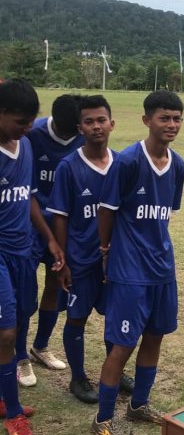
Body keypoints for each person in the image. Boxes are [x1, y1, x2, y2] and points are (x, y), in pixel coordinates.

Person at [92, 90, 184, 435]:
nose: (171, 124)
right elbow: (107, 211)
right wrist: (106, 251)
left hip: (162, 268)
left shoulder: (178, 165)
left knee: (155, 336)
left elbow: (164, 214)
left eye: (177, 118)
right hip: (129, 272)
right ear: (147, 120)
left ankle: (138, 405)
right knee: (122, 346)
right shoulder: (128, 161)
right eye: (164, 118)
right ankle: (102, 419)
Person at [47, 95, 133, 403]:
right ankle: (78, 378)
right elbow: (60, 216)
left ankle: (114, 369)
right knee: (77, 317)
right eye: (89, 121)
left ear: (112, 124)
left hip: (116, 260)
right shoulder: (68, 167)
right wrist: (64, 260)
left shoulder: (123, 163)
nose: (96, 126)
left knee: (115, 317)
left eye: (101, 120)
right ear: (79, 128)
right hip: (81, 260)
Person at [0, 79, 65, 435]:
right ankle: (13, 413)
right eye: (20, 122)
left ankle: (3, 395)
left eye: (31, 121)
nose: (27, 129)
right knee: (7, 333)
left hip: (22, 249)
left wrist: (50, 237)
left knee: (22, 315)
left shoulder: (24, 145)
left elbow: (27, 198)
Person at [22, 94, 84, 386]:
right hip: (30, 225)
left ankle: (40, 346)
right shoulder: (31, 135)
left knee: (55, 284)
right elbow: (27, 190)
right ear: (55, 121)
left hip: (62, 227)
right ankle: (19, 357)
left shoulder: (81, 136)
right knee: (25, 294)